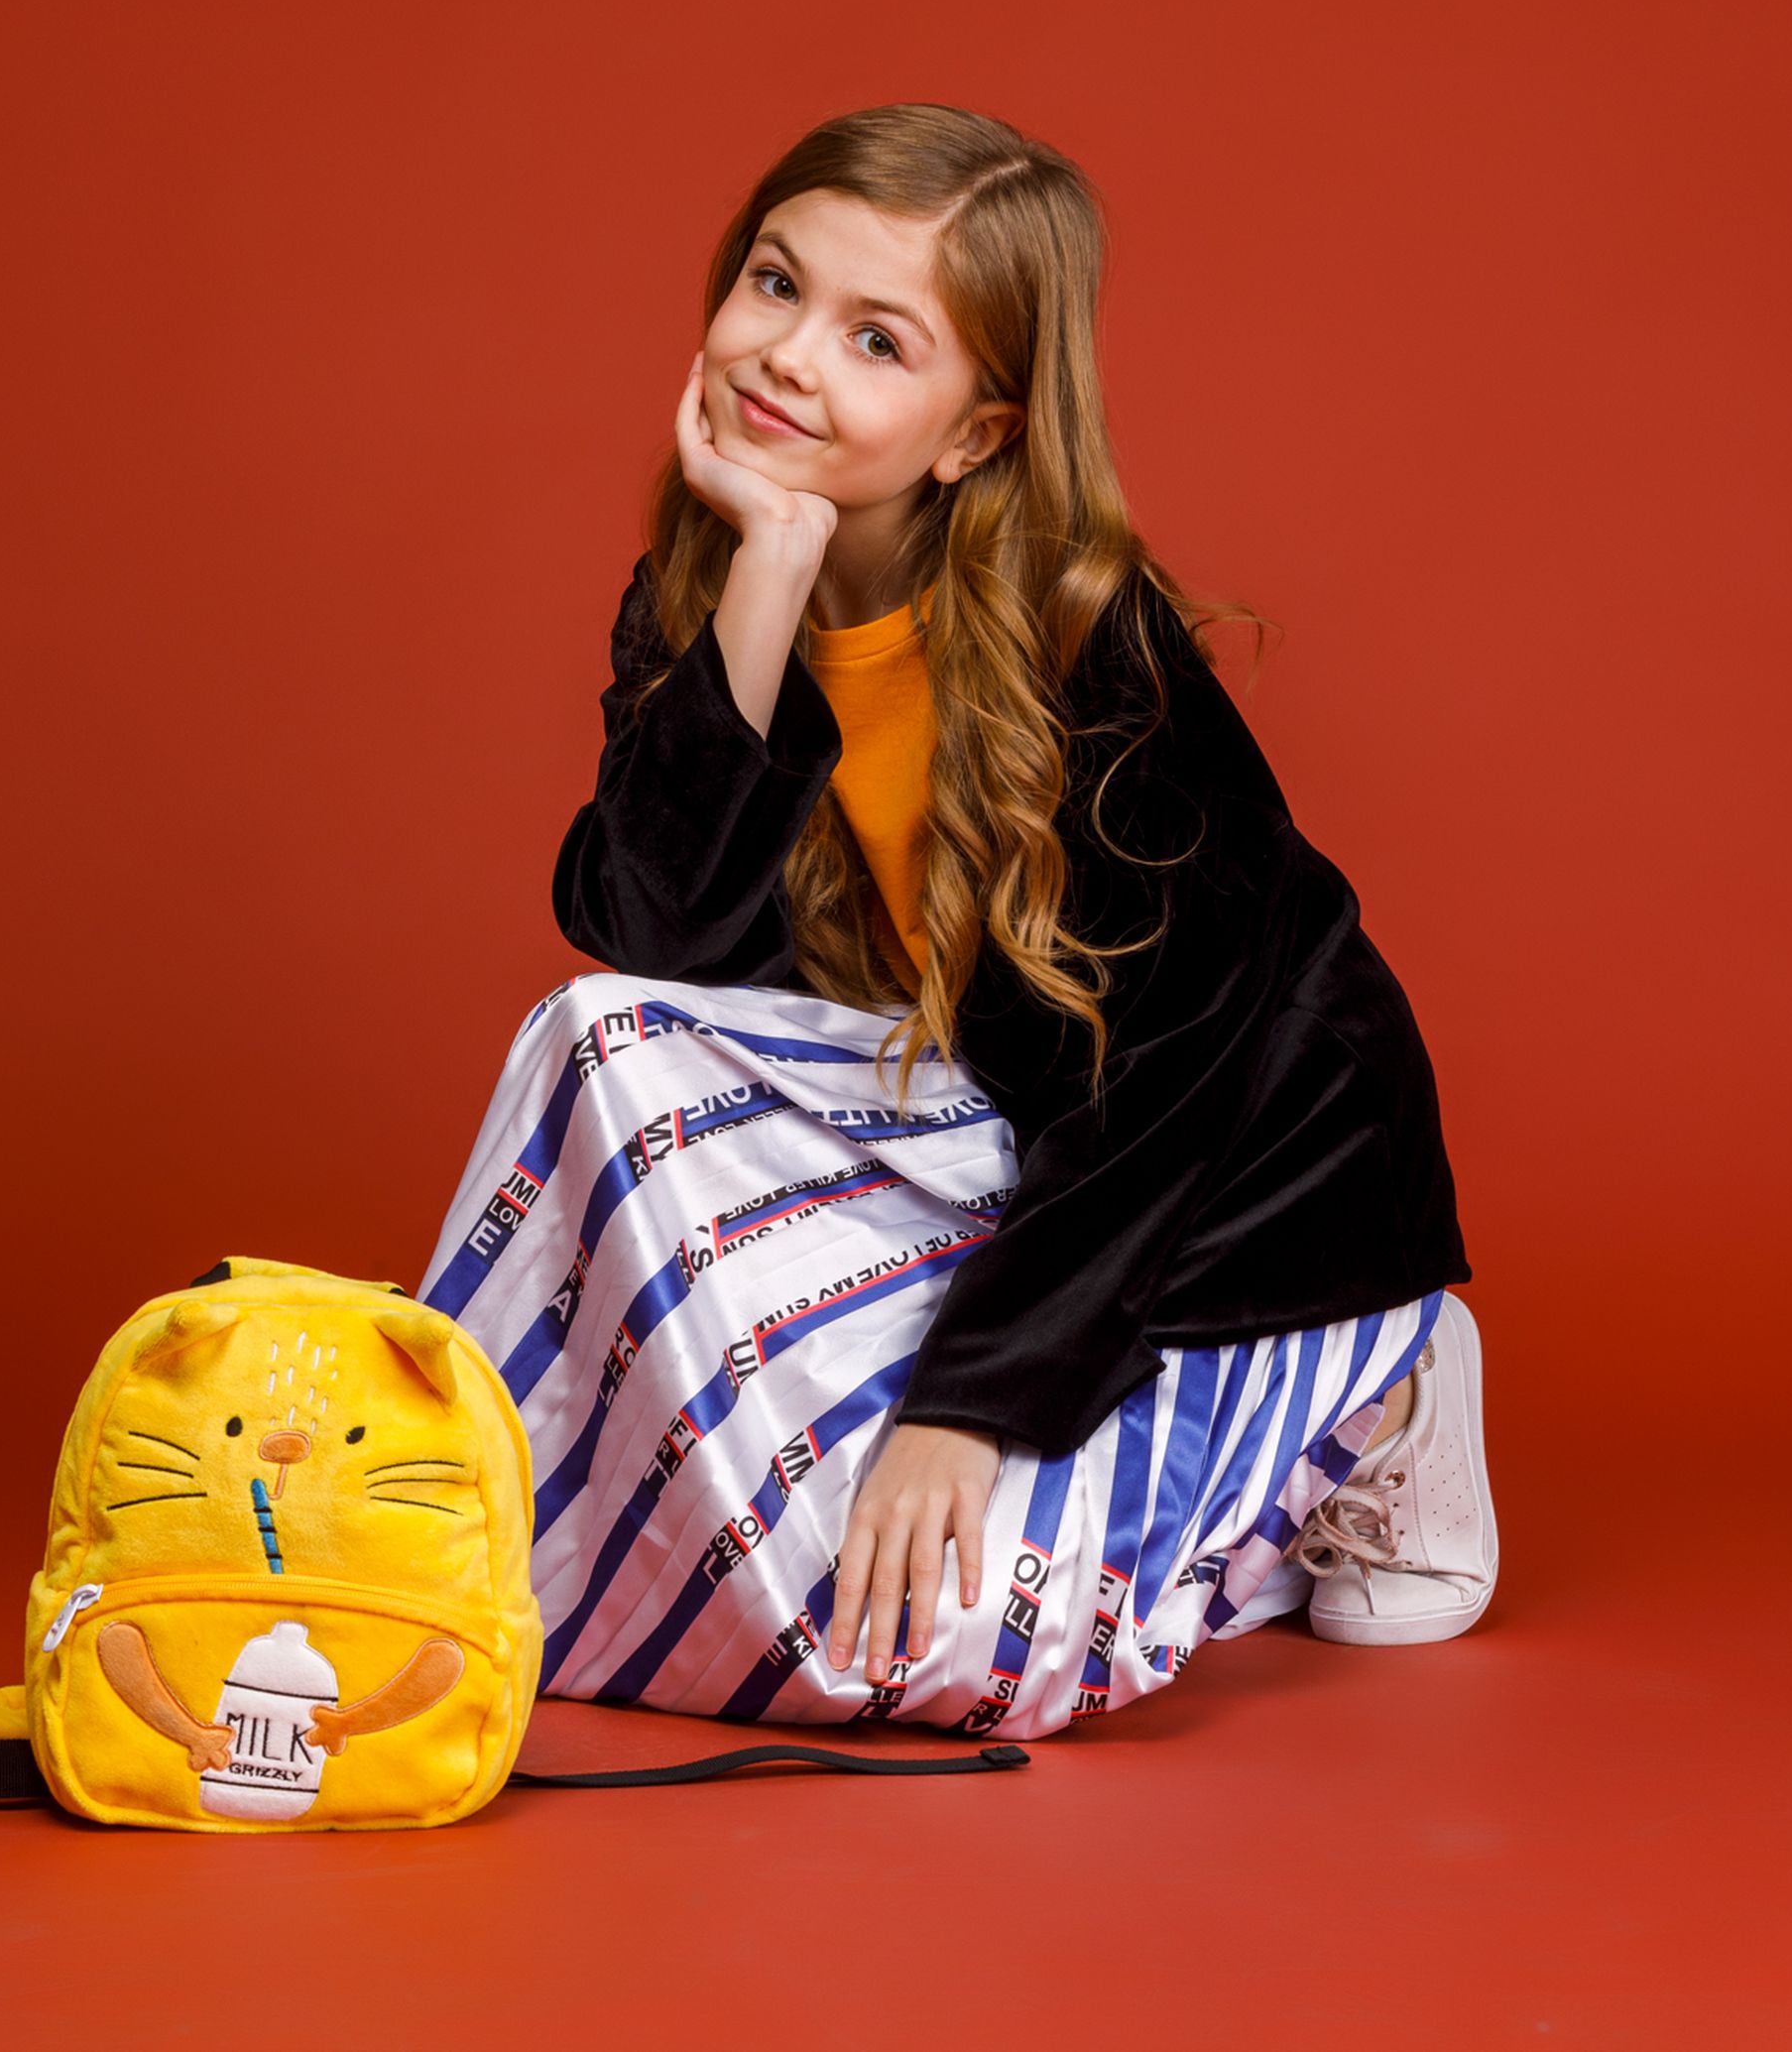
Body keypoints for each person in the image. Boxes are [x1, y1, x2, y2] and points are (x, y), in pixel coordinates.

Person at [420, 103, 1496, 1740]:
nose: (790, 356)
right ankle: (438, 1473)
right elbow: (649, 937)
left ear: (973, 433)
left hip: (1217, 1189)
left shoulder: (1094, 663)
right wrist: (770, 570)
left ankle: (1384, 1376)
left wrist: (969, 1405)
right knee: (597, 1036)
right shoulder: (715, 588)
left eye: (874, 340)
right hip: (957, 1135)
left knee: (959, 1649)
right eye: (774, 283)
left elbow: (1165, 1091)